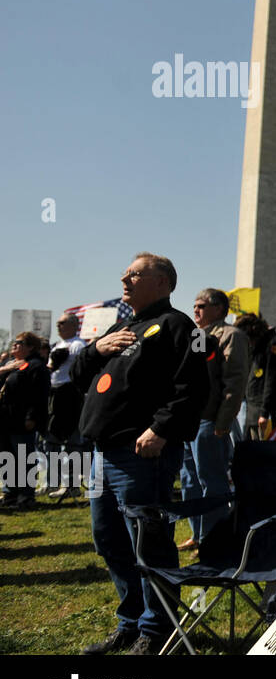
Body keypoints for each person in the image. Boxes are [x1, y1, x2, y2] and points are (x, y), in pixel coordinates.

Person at [72, 253, 209, 655]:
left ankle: (158, 629)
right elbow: (78, 375)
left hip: (141, 453)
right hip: (103, 454)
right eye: (124, 274)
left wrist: (161, 428)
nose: (124, 279)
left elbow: (194, 387)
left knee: (149, 542)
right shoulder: (123, 326)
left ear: (163, 283)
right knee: (109, 540)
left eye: (134, 274)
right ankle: (130, 623)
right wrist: (98, 348)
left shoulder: (177, 325)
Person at [179, 288, 251, 549]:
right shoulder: (195, 337)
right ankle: (198, 535)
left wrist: (223, 422)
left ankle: (215, 539)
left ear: (219, 309)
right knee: (189, 480)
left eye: (201, 306)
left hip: (211, 420)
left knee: (212, 480)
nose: (195, 310)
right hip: (188, 421)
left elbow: (234, 382)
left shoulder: (232, 336)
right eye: (194, 305)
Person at [0, 333, 51, 509]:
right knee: (7, 458)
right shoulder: (12, 366)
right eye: (14, 343)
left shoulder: (36, 366)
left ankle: (25, 496)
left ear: (30, 347)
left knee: (23, 459)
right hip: (7, 419)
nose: (14, 346)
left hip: (22, 420)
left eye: (19, 343)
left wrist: (32, 417)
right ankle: (11, 493)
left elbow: (39, 395)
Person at [46, 314, 87, 499]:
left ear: (73, 325)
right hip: (55, 393)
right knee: (53, 440)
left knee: (72, 441)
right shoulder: (57, 346)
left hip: (69, 394)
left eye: (62, 323)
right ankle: (53, 481)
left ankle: (72, 484)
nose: (58, 325)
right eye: (58, 323)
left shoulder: (77, 344)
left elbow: (81, 370)